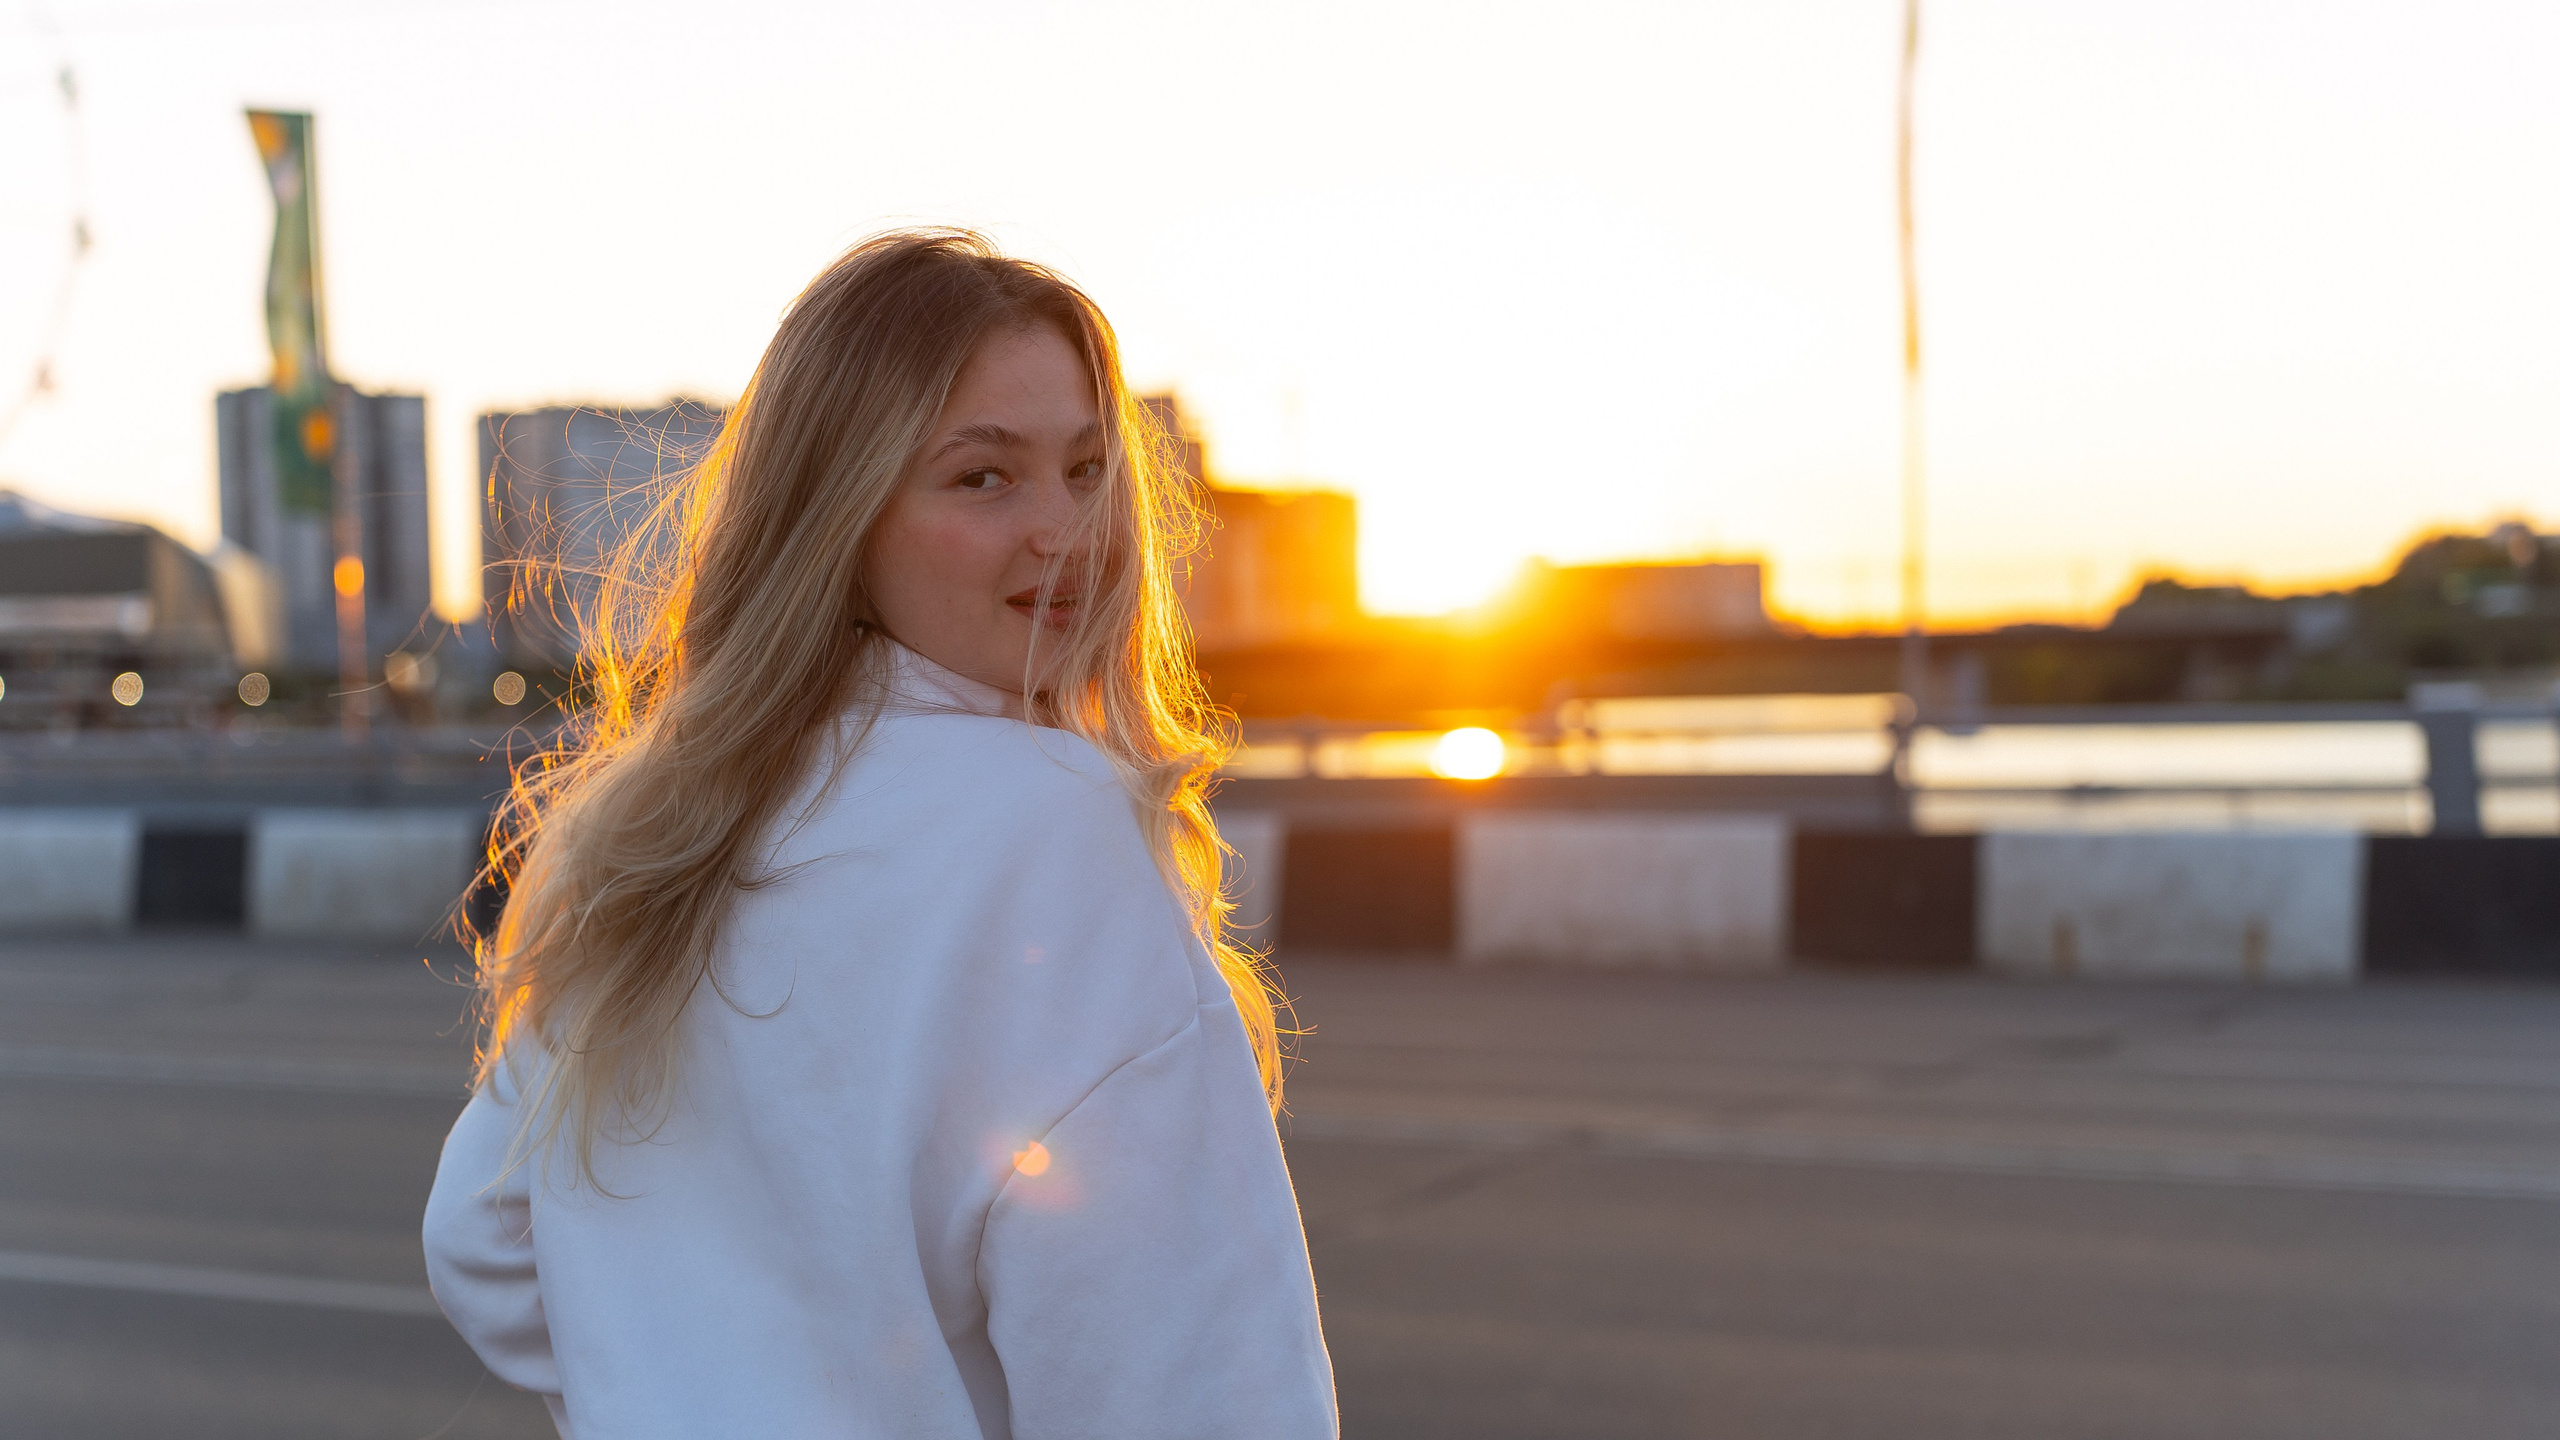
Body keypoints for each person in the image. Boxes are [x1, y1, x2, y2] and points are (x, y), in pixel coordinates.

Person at [423, 230, 1337, 1438]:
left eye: (1087, 468)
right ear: (840, 515)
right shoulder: (1056, 831)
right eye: (983, 477)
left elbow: (480, 1237)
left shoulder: (674, 815)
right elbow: (1202, 1392)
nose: (1066, 529)